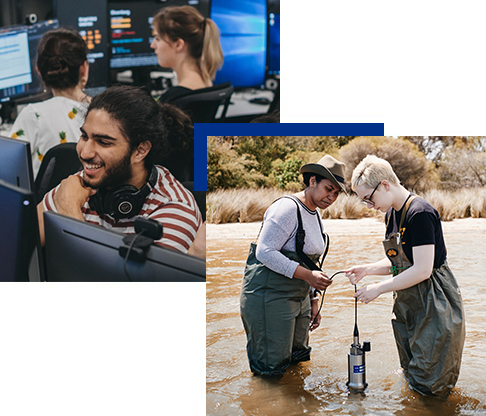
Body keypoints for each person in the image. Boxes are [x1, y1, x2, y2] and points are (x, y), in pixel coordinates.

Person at [345, 155, 465, 396]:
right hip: (408, 301)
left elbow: (422, 269)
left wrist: (378, 288)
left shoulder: (419, 213)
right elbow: (398, 262)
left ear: (385, 185)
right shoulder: (391, 214)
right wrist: (367, 268)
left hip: (434, 301)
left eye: (369, 199)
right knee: (411, 369)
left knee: (431, 381)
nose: (370, 206)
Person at [37, 85, 204, 258]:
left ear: (140, 151)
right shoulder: (80, 185)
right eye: (85, 137)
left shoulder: (174, 211)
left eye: (103, 142)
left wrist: (69, 213)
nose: (85, 153)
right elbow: (20, 245)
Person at [240, 155, 347, 376]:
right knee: (271, 371)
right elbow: (264, 251)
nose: (332, 197)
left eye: (336, 193)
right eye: (329, 189)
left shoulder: (315, 214)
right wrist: (308, 276)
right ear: (312, 181)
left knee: (297, 361)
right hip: (269, 296)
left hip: (299, 298)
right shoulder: (287, 208)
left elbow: (310, 261)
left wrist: (313, 299)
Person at [10, 28, 91, 177]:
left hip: (48, 200)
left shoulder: (33, 115)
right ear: (84, 68)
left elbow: (8, 168)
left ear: (39, 71)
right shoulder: (102, 112)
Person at [150, 5, 224, 102]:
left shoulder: (173, 99)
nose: (153, 45)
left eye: (158, 39)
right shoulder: (207, 85)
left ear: (178, 45)